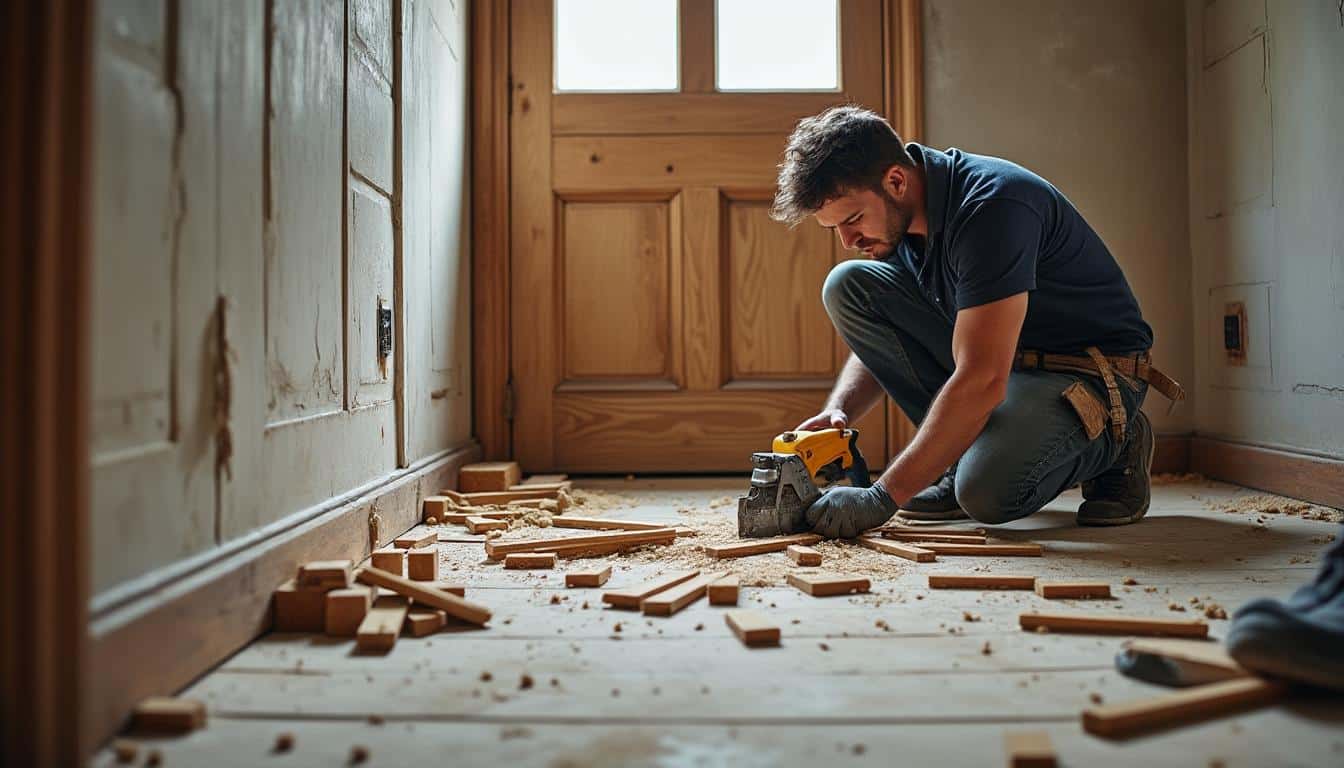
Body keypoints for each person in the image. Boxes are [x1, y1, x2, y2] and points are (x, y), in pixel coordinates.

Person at [771, 106, 1184, 539]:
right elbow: (891, 332)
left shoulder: (992, 207)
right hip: (1009, 362)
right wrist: (840, 410)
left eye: (853, 219)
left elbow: (983, 377)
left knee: (986, 495)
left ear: (896, 181)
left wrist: (882, 497)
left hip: (1084, 371)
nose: (849, 240)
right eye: (834, 228)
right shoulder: (905, 221)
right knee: (849, 285)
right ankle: (960, 453)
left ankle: (1117, 439)